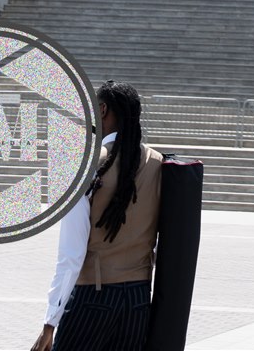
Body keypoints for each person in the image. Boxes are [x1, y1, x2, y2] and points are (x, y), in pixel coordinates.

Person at [30, 80, 163, 351]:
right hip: (138, 300)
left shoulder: (87, 167)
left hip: (93, 296)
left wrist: (49, 323)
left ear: (102, 110)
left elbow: (71, 256)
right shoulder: (158, 164)